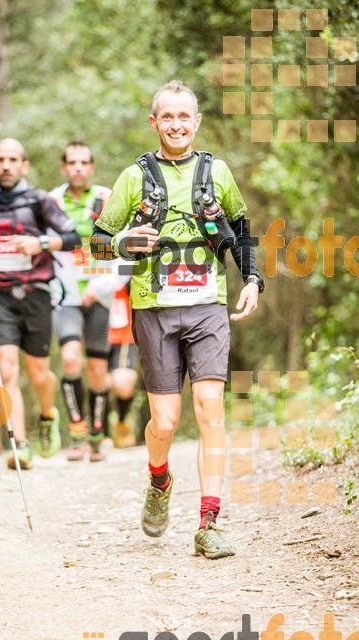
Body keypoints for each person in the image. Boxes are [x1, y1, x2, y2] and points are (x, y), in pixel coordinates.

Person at [91, 80, 264, 560]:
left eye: (184, 116)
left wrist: (252, 279)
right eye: (167, 117)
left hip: (208, 305)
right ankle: (159, 478)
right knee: (164, 422)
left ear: (197, 121)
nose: (176, 125)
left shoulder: (217, 172)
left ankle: (208, 523)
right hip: (153, 308)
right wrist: (125, 243)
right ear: (154, 122)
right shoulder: (134, 177)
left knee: (211, 411)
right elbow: (97, 241)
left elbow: (242, 230)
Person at [0, 138, 81, 470]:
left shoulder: (39, 201)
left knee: (39, 373)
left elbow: (74, 237)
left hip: (36, 295)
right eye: (0, 160)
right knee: (5, 369)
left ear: (24, 165)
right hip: (0, 297)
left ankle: (47, 414)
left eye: (13, 159)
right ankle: (18, 443)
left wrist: (41, 243)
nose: (6, 165)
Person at [49, 142, 129, 462]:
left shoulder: (106, 198)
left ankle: (98, 431)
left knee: (97, 369)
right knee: (70, 359)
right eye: (72, 162)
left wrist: (101, 286)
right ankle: (77, 431)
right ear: (63, 167)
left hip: (101, 295)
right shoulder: (52, 201)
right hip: (65, 296)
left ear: (92, 167)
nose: (78, 167)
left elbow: (127, 250)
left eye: (84, 162)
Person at [108, 283, 138, 448]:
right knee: (100, 382)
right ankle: (100, 433)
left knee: (122, 383)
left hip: (123, 336)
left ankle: (122, 421)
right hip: (95, 333)